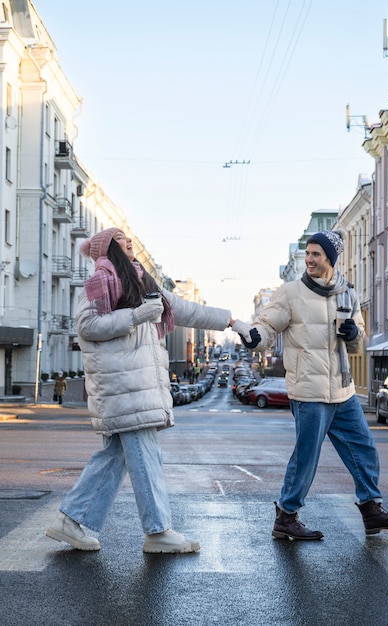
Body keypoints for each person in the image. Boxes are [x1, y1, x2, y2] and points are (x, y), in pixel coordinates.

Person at [46, 227, 247, 554]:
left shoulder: (144, 284)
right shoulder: (100, 281)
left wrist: (232, 322)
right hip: (122, 386)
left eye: (129, 237)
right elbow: (88, 327)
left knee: (114, 458)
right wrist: (137, 316)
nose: (129, 240)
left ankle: (72, 521)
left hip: (133, 387)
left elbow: (186, 310)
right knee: (146, 455)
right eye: (120, 237)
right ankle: (158, 531)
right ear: (107, 247)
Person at [231, 229, 388, 540]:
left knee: (364, 448)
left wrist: (354, 335)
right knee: (307, 456)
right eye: (308, 253)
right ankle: (287, 516)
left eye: (316, 253)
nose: (310, 259)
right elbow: (266, 326)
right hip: (309, 390)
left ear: (331, 258)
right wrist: (254, 336)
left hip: (342, 389)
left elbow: (358, 342)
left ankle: (372, 509)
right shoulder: (290, 293)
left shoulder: (348, 294)